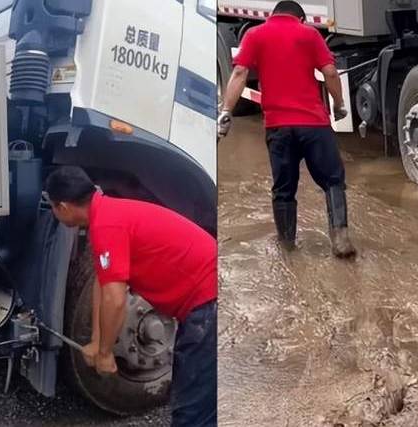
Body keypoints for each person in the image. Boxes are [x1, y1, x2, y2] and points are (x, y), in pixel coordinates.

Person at [44, 166, 217, 426]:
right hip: (204, 296)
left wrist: (104, 353)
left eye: (53, 208)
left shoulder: (107, 224)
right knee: (199, 395)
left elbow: (115, 298)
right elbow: (103, 283)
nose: (55, 214)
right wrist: (96, 340)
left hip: (208, 300)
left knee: (192, 411)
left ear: (64, 207)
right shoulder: (107, 213)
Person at [218, 0, 356, 258]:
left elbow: (239, 73)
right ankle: (340, 239)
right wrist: (339, 105)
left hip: (278, 127)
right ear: (300, 19)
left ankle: (287, 246)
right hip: (314, 125)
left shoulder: (255, 34)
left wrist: (226, 110)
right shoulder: (310, 34)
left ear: (274, 14)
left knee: (284, 189)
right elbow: (331, 72)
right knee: (333, 181)